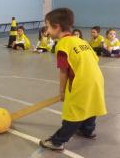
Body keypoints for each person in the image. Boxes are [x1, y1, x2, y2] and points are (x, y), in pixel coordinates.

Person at [40, 8, 107, 150]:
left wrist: (62, 91)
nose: (47, 30)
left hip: (81, 82)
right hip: (96, 79)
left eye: (48, 26)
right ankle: (87, 130)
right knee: (90, 105)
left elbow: (64, 71)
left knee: (74, 112)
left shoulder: (63, 44)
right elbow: (94, 59)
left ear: (57, 26)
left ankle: (58, 141)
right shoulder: (80, 41)